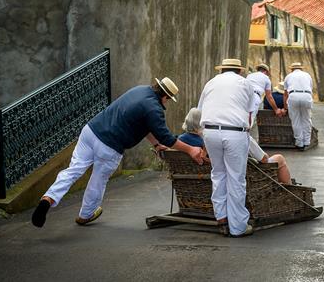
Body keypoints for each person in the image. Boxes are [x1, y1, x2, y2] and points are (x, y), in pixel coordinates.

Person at [31, 77, 203, 228]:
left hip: (90, 131)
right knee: (98, 180)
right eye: (168, 100)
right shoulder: (154, 109)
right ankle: (85, 215)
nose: (167, 103)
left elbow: (144, 126)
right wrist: (190, 149)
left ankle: (48, 198)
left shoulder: (139, 90)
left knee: (74, 170)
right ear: (165, 96)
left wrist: (156, 145)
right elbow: (166, 137)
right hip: (110, 146)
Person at [198, 58, 254, 237]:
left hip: (210, 132)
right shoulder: (245, 83)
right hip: (234, 132)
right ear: (239, 71)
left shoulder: (211, 83)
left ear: (221, 70)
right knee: (236, 178)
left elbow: (200, 110)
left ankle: (221, 218)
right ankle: (238, 227)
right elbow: (250, 111)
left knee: (218, 174)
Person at [178, 110, 292, 185]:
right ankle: (289, 190)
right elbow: (263, 159)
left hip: (201, 180)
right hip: (247, 175)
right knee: (279, 158)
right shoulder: (232, 135)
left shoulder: (182, 141)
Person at [246, 63, 282, 142]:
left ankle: (255, 143)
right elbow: (269, 96)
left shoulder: (250, 76)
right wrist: (276, 109)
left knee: (248, 119)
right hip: (254, 97)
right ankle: (248, 145)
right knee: (250, 122)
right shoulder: (266, 79)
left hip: (245, 95)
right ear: (266, 72)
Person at [283, 62, 313, 150]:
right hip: (306, 96)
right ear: (301, 69)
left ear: (292, 69)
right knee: (306, 119)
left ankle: (299, 143)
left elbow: (285, 94)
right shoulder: (307, 75)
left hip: (293, 96)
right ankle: (307, 142)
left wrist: (285, 107)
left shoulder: (288, 76)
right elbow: (310, 89)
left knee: (296, 121)